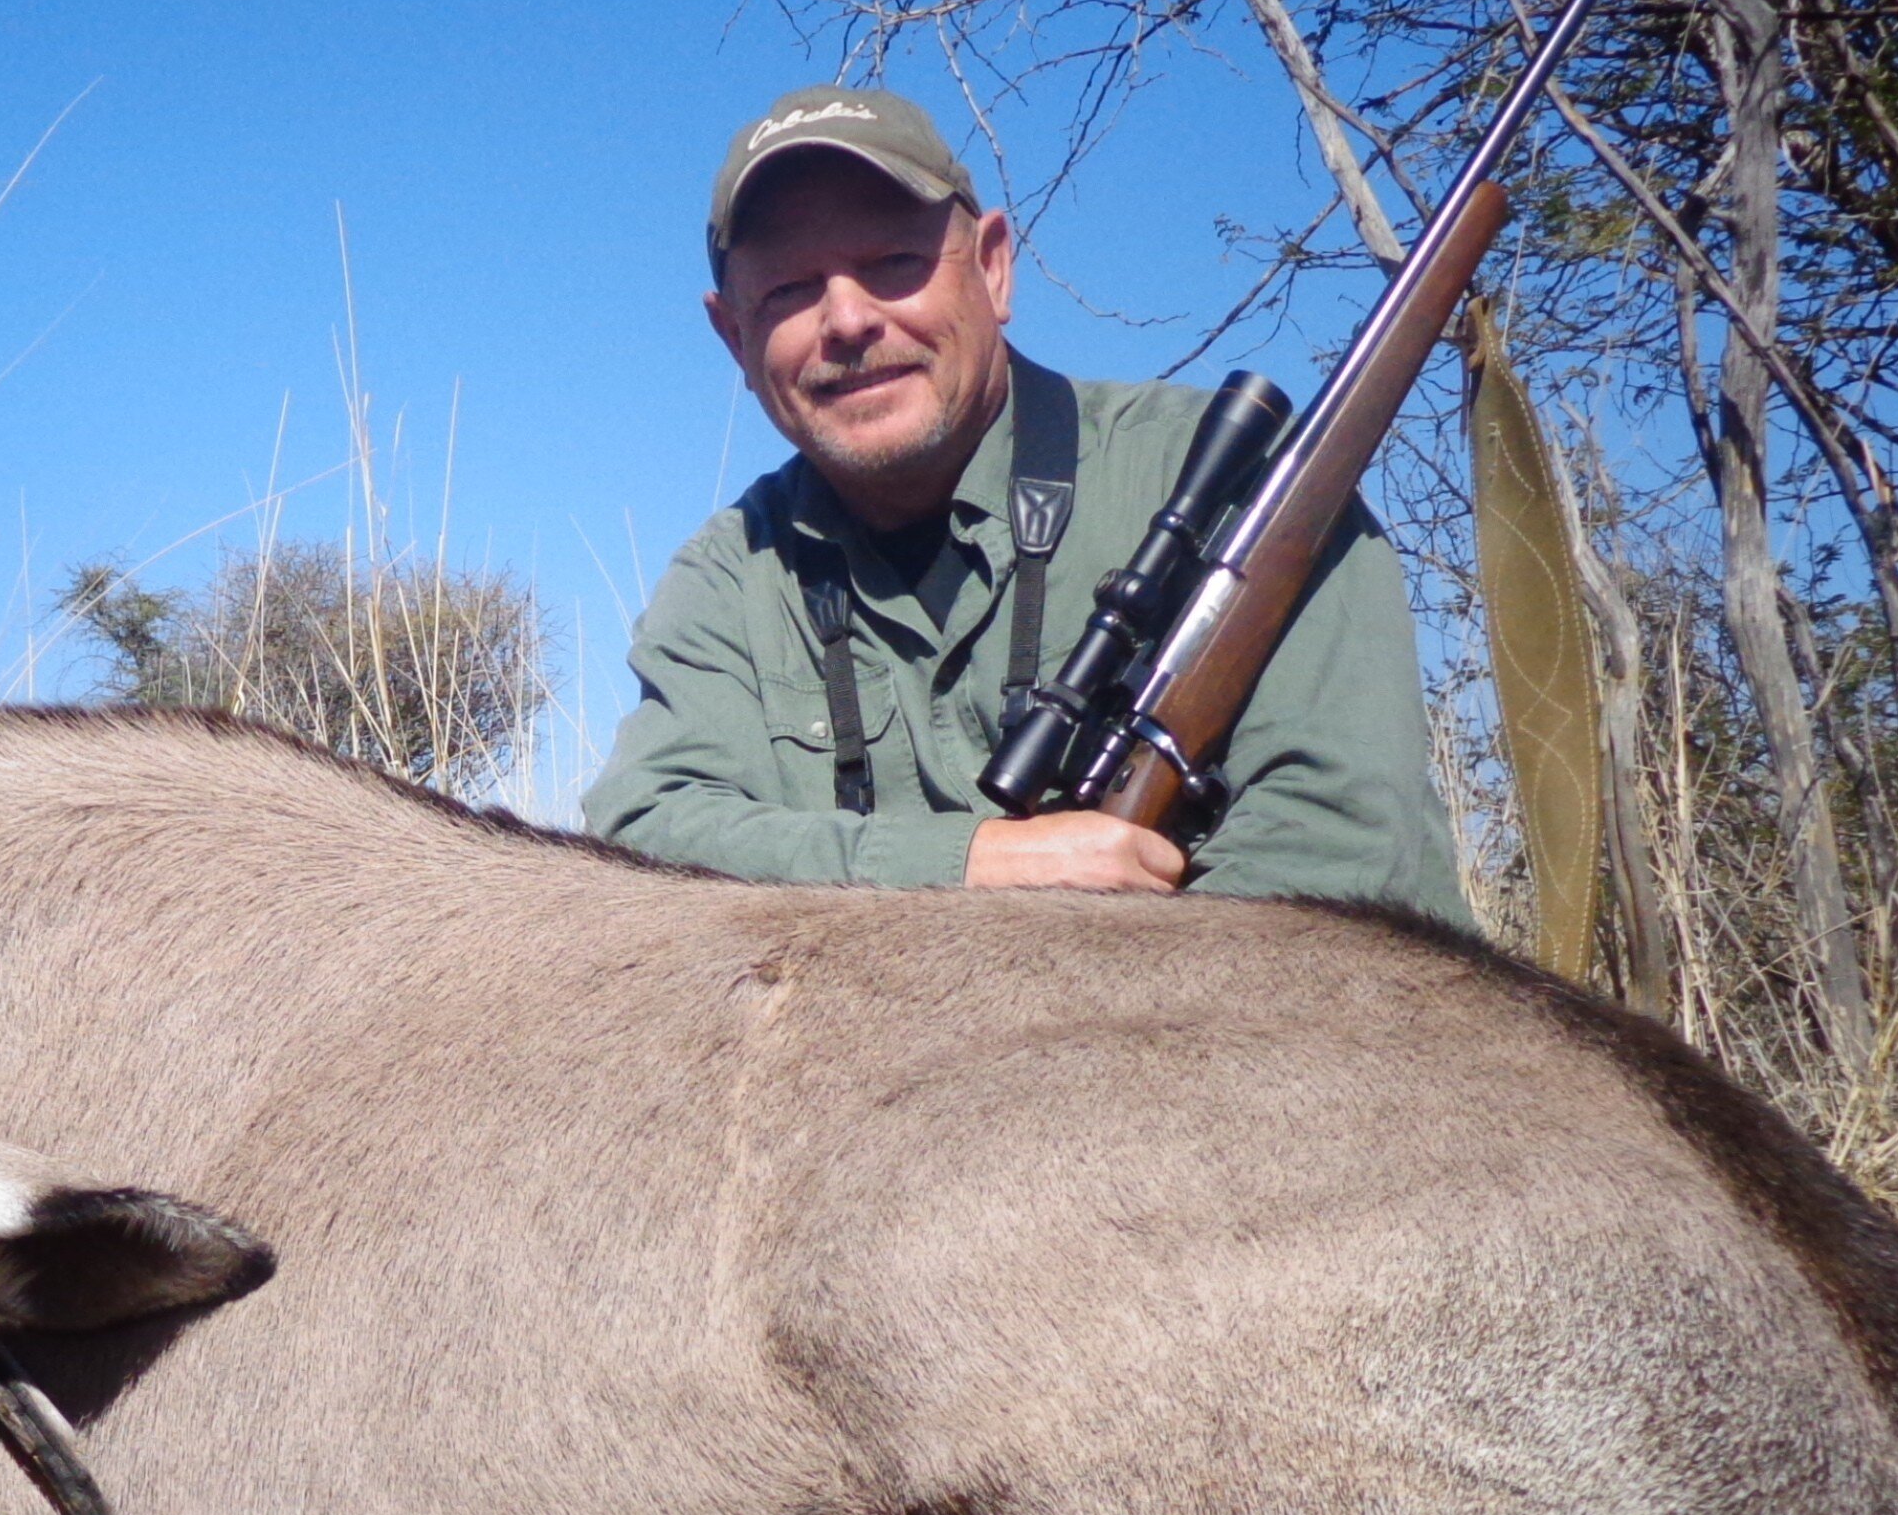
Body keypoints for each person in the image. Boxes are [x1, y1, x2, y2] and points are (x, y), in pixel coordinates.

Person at [583, 85, 1467, 917]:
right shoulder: (730, 574)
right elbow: (645, 831)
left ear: (996, 271)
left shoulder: (1238, 482)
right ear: (734, 337)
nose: (847, 320)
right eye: (788, 290)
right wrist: (974, 864)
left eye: (894, 262)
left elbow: (1343, 844)